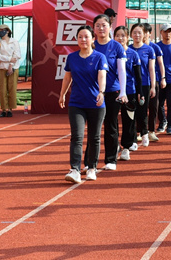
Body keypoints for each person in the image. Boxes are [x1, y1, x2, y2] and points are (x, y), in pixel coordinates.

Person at [58, 25, 107, 183]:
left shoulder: (99, 57)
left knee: (94, 137)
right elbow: (67, 78)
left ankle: (92, 167)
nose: (83, 40)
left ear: (93, 39)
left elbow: (102, 76)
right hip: (76, 103)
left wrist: (101, 92)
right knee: (77, 136)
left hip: (95, 103)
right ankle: (75, 170)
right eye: (80, 37)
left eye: (86, 36)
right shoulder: (72, 58)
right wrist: (62, 94)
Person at [92, 14, 128, 171]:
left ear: (110, 28)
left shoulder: (117, 47)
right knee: (94, 127)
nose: (101, 28)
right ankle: (90, 162)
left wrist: (123, 91)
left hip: (112, 91)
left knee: (111, 125)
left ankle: (111, 159)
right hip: (93, 92)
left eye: (104, 25)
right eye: (98, 25)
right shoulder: (91, 46)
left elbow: (122, 71)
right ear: (93, 28)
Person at [113, 25, 141, 162]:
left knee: (128, 120)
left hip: (130, 92)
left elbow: (138, 76)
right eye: (117, 35)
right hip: (113, 92)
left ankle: (126, 148)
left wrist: (140, 92)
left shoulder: (133, 54)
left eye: (123, 35)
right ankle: (115, 146)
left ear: (127, 37)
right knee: (112, 121)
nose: (120, 38)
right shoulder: (110, 53)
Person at [131, 23, 157, 147]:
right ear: (131, 34)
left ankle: (144, 133)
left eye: (139, 33)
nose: (137, 35)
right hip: (130, 85)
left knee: (143, 110)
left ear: (144, 35)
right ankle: (134, 133)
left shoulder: (149, 50)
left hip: (145, 84)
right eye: (134, 32)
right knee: (131, 110)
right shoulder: (128, 49)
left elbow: (152, 69)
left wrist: (153, 86)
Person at [0, 24, 22, 117]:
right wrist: (9, 59)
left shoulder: (14, 42)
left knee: (12, 88)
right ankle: (4, 109)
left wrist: (11, 65)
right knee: (2, 88)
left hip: (13, 67)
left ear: (8, 31)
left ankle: (10, 109)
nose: (1, 32)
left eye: (3, 30)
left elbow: (17, 54)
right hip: (2, 68)